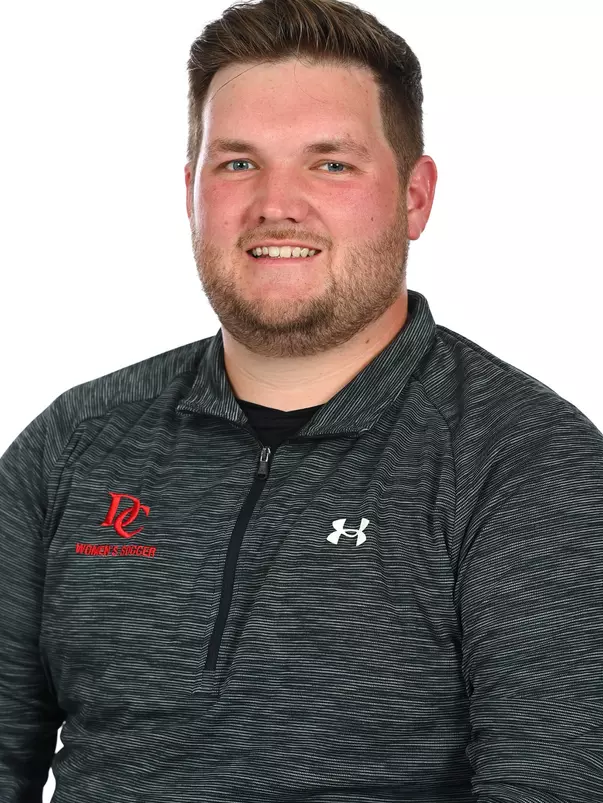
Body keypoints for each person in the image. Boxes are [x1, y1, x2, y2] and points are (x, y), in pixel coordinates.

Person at [1, 0, 601, 800]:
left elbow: (553, 780)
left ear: (414, 197)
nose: (275, 204)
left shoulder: (527, 463)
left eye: (330, 164)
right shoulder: (72, 442)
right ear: (190, 191)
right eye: (237, 164)